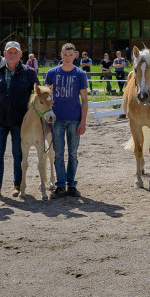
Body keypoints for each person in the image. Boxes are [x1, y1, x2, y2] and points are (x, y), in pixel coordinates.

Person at [0, 41, 37, 199]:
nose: (13, 55)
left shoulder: (29, 73)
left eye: (16, 52)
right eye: (10, 52)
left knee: (18, 153)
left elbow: (37, 96)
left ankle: (18, 185)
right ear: (5, 54)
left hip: (19, 121)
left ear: (21, 54)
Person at [45, 43, 89, 198]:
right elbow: (46, 98)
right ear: (61, 55)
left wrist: (83, 122)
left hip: (74, 119)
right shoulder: (51, 73)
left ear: (75, 55)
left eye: (71, 55)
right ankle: (60, 185)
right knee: (58, 153)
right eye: (65, 55)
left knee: (73, 154)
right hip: (56, 120)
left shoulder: (80, 74)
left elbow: (84, 99)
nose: (68, 58)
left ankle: (71, 184)